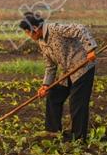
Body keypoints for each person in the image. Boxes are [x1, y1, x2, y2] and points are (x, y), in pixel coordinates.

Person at [19, 12, 97, 142]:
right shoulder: (42, 42)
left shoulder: (55, 29)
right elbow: (50, 66)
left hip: (82, 66)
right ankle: (53, 132)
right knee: (54, 95)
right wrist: (45, 85)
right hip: (66, 71)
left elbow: (80, 29)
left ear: (35, 28)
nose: (28, 35)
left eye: (27, 32)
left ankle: (78, 138)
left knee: (77, 103)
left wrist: (90, 49)